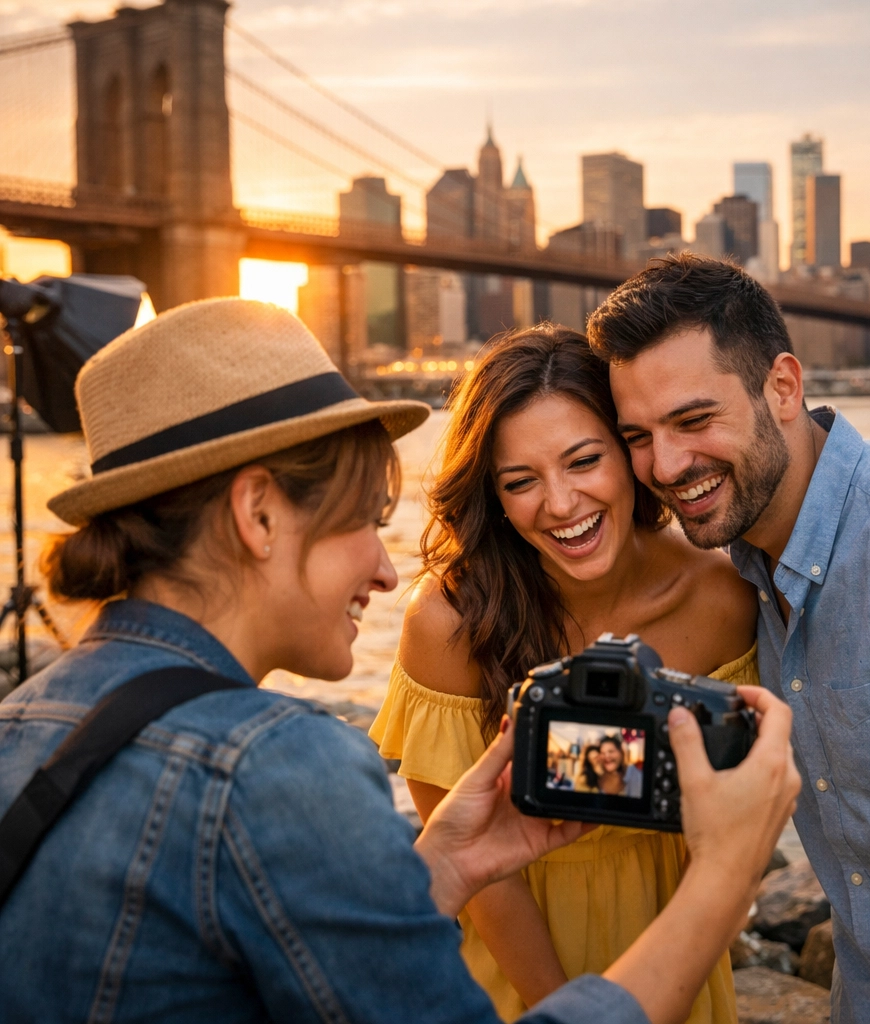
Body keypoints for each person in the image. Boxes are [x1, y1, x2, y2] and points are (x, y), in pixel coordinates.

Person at [0, 297, 802, 1024]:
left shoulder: (23, 721)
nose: (387, 571)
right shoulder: (277, 766)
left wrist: (434, 872)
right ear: (257, 514)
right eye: (363, 520)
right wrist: (725, 875)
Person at [587, 253, 870, 1024]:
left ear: (783, 387)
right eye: (638, 435)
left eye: (694, 419)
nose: (666, 464)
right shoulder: (742, 571)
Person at [370, 326, 759, 1022]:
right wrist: (567, 1010)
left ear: (631, 452)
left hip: (679, 945)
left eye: (584, 461)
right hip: (511, 967)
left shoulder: (723, 597)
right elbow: (480, 873)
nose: (560, 504)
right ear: (491, 494)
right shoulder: (448, 622)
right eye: (520, 481)